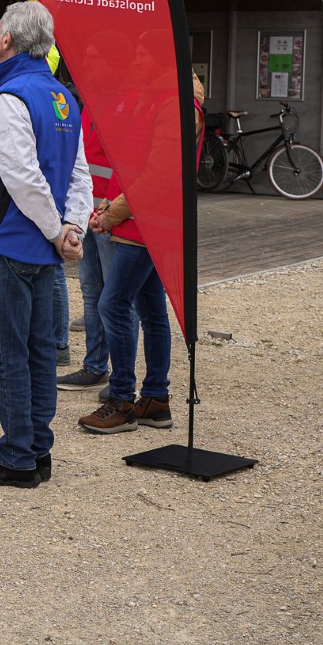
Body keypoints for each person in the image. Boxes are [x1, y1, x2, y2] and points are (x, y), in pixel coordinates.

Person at [0, 1, 91, 488]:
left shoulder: (10, 96)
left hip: (9, 242)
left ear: (9, 40)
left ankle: (17, 457)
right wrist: (72, 228)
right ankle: (37, 451)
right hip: (43, 248)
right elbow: (78, 173)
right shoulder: (61, 97)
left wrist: (61, 231)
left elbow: (20, 175)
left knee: (10, 356)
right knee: (38, 353)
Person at [77, 72, 206, 433]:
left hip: (147, 223)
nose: (134, 65)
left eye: (142, 59)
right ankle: (154, 400)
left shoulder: (176, 107)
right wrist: (108, 207)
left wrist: (113, 213)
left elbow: (159, 174)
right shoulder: (161, 102)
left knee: (112, 303)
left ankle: (122, 400)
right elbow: (132, 163)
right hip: (143, 220)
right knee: (149, 310)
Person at [57, 105, 115, 392]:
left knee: (115, 299)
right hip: (88, 211)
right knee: (92, 292)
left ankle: (121, 378)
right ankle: (95, 367)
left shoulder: (123, 104)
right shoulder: (90, 106)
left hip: (111, 214)